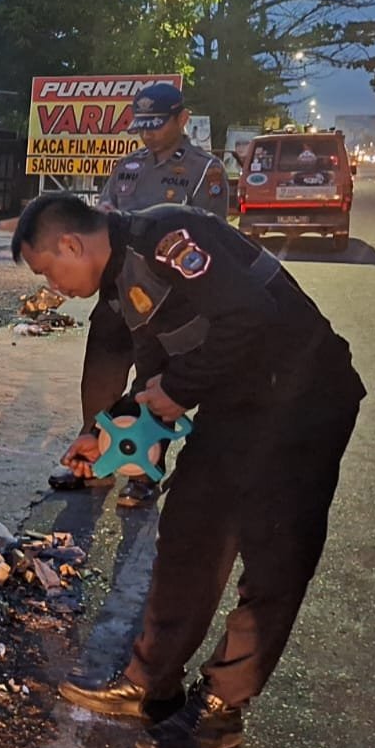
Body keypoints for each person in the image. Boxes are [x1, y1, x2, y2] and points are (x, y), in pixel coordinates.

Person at [10, 193, 364, 748]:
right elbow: (158, 373)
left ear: (72, 244)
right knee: (189, 534)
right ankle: (152, 682)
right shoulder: (125, 283)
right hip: (238, 403)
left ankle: (223, 707)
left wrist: (177, 392)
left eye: (49, 269)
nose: (53, 285)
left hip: (304, 399)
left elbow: (250, 313)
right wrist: (102, 433)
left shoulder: (168, 237)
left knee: (275, 557)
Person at [52, 82, 229, 509]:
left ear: (182, 119)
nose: (148, 135)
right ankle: (95, 459)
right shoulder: (128, 167)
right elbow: (104, 218)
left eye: (158, 125)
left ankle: (144, 473)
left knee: (152, 389)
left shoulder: (206, 171)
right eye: (143, 126)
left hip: (169, 305)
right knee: (100, 381)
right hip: (117, 296)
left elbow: (212, 240)